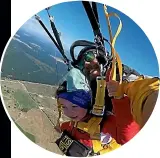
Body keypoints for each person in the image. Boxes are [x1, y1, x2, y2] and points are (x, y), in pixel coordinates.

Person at [54, 68, 140, 157]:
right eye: (64, 107)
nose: (69, 112)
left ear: (87, 103)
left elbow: (127, 138)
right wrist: (61, 127)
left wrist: (120, 99)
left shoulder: (104, 124)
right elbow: (73, 126)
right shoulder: (78, 119)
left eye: (74, 106)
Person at [76, 49, 159, 128]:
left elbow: (144, 90)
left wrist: (150, 99)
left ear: (102, 56)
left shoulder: (119, 75)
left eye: (89, 57)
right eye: (81, 64)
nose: (86, 64)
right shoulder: (90, 88)